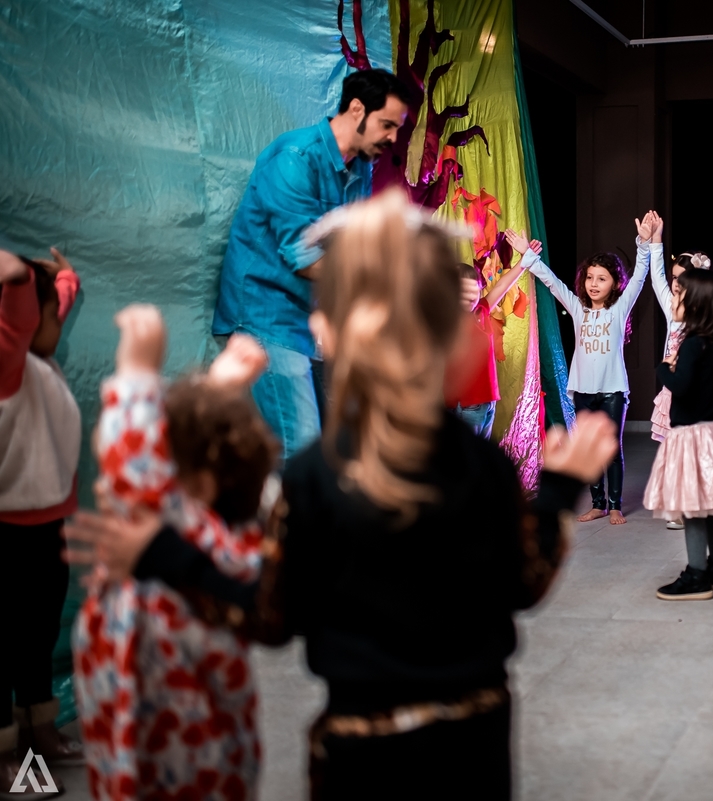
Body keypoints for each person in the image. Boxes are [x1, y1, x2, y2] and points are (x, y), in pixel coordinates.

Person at [65, 189, 619, 800]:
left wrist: (169, 553)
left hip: (359, 754)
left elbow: (273, 615)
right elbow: (524, 581)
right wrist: (562, 486)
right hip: (475, 743)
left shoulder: (310, 479)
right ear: (461, 350)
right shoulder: (484, 467)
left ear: (326, 335)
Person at [71, 306, 276, 800]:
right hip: (215, 771)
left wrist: (138, 373)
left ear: (197, 486)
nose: (108, 480)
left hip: (161, 779)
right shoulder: (238, 545)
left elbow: (135, 463)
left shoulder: (180, 536)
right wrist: (220, 391)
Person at [212, 68, 418, 460]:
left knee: (344, 442)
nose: (394, 138)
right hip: (263, 316)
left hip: (309, 323)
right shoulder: (295, 157)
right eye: (387, 124)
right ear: (357, 109)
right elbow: (305, 258)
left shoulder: (361, 169)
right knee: (299, 446)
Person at [505, 216, 652, 525]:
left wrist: (642, 243)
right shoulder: (576, 307)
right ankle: (597, 503)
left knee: (612, 450)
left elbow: (640, 276)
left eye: (602, 278)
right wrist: (526, 255)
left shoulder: (619, 309)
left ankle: (615, 505)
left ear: (615, 283)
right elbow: (550, 280)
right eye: (590, 278)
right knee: (589, 450)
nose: (594, 284)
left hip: (612, 390)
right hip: (583, 390)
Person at [0, 247, 84, 790]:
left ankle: (39, 728)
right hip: (8, 528)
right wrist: (24, 279)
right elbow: (12, 279)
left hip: (48, 521)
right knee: (7, 636)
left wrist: (64, 279)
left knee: (38, 630)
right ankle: (6, 743)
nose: (57, 317)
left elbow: (55, 298)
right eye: (46, 312)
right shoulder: (7, 364)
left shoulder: (34, 354)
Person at [644, 269, 713, 600]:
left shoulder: (693, 345)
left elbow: (680, 386)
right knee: (710, 509)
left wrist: (664, 368)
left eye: (679, 294)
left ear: (694, 303)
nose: (674, 299)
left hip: (691, 437)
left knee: (692, 509)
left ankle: (697, 576)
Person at [445, 241, 539, 439]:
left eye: (475, 290)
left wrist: (524, 260)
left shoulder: (482, 310)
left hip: (488, 402)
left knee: (482, 463)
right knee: (468, 463)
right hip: (465, 406)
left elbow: (504, 285)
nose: (470, 296)